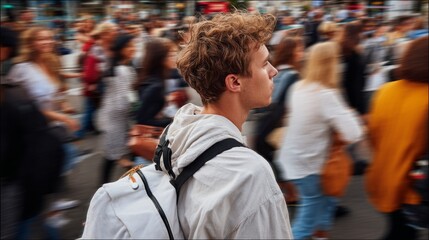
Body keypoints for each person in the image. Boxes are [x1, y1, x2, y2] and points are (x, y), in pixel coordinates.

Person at [157, 12, 293, 238]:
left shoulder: (176, 134)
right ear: (235, 82)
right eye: (264, 63)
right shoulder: (249, 174)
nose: (274, 70)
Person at [275, 41, 363, 240]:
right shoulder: (326, 95)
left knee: (327, 200)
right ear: (331, 64)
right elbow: (353, 133)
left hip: (291, 158)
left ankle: (321, 234)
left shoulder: (298, 87)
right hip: (308, 165)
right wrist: (348, 115)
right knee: (309, 214)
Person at [365, 36, 428, 240]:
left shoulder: (386, 90)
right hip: (414, 190)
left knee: (399, 231)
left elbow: (373, 136)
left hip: (383, 178)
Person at [97, 34, 137, 184]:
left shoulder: (120, 67)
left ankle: (105, 187)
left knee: (113, 156)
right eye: (128, 46)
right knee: (114, 156)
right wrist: (135, 111)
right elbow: (123, 101)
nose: (132, 48)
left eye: (133, 45)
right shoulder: (122, 70)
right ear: (120, 50)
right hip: (118, 121)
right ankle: (106, 190)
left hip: (112, 118)